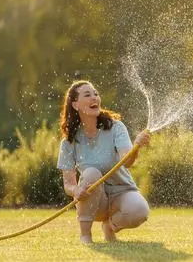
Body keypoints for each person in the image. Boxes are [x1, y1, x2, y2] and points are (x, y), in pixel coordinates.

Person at [57, 80, 151, 243]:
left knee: (140, 211)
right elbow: (68, 184)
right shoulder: (68, 142)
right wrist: (76, 190)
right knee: (91, 173)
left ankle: (110, 226)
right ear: (75, 105)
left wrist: (136, 147)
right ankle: (85, 234)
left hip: (121, 192)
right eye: (87, 95)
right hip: (94, 202)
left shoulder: (116, 127)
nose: (94, 98)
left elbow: (127, 163)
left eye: (96, 94)